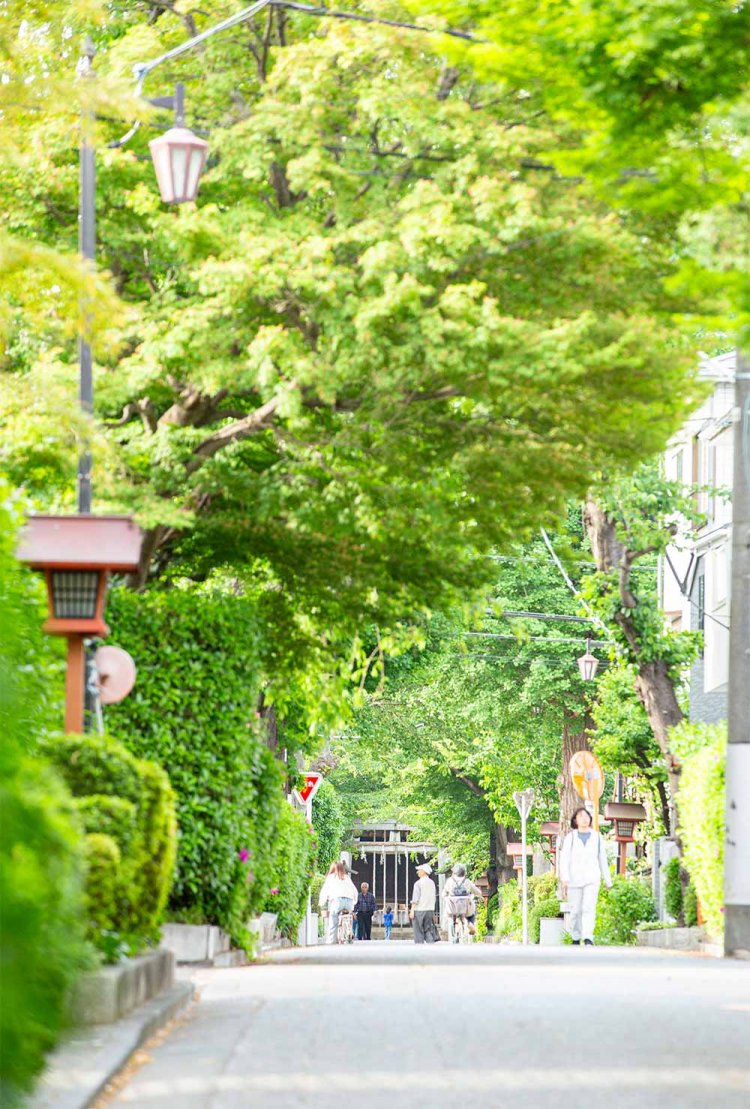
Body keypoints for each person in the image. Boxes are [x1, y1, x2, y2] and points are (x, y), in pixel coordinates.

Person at [558, 807, 612, 946]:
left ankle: (588, 937)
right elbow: (564, 859)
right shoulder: (571, 837)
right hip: (574, 879)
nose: (584, 818)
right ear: (575, 820)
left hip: (592, 878)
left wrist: (607, 881)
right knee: (575, 910)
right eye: (580, 816)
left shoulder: (597, 837)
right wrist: (565, 878)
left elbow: (602, 859)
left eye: (586, 816)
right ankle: (576, 936)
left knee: (589, 908)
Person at [318, 861, 358, 945]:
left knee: (333, 921)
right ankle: (349, 933)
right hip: (349, 902)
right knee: (349, 917)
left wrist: (321, 902)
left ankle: (331, 941)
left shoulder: (330, 877)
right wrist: (354, 902)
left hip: (337, 901)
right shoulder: (347, 877)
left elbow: (324, 891)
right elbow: (355, 891)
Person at [442, 863, 484, 938]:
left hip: (453, 908)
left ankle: (452, 924)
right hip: (466, 908)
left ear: (454, 872)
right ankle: (470, 922)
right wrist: (479, 895)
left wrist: (446, 897)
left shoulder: (449, 881)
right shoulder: (467, 881)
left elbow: (443, 894)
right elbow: (477, 892)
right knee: (472, 908)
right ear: (464, 872)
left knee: (448, 907)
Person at [410, 862, 437, 944]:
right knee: (428, 929)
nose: (417, 872)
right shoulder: (432, 883)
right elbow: (434, 897)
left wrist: (412, 910)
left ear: (423, 872)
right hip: (429, 909)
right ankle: (431, 945)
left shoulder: (418, 883)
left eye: (419, 870)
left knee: (418, 931)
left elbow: (415, 899)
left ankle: (420, 948)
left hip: (419, 910)